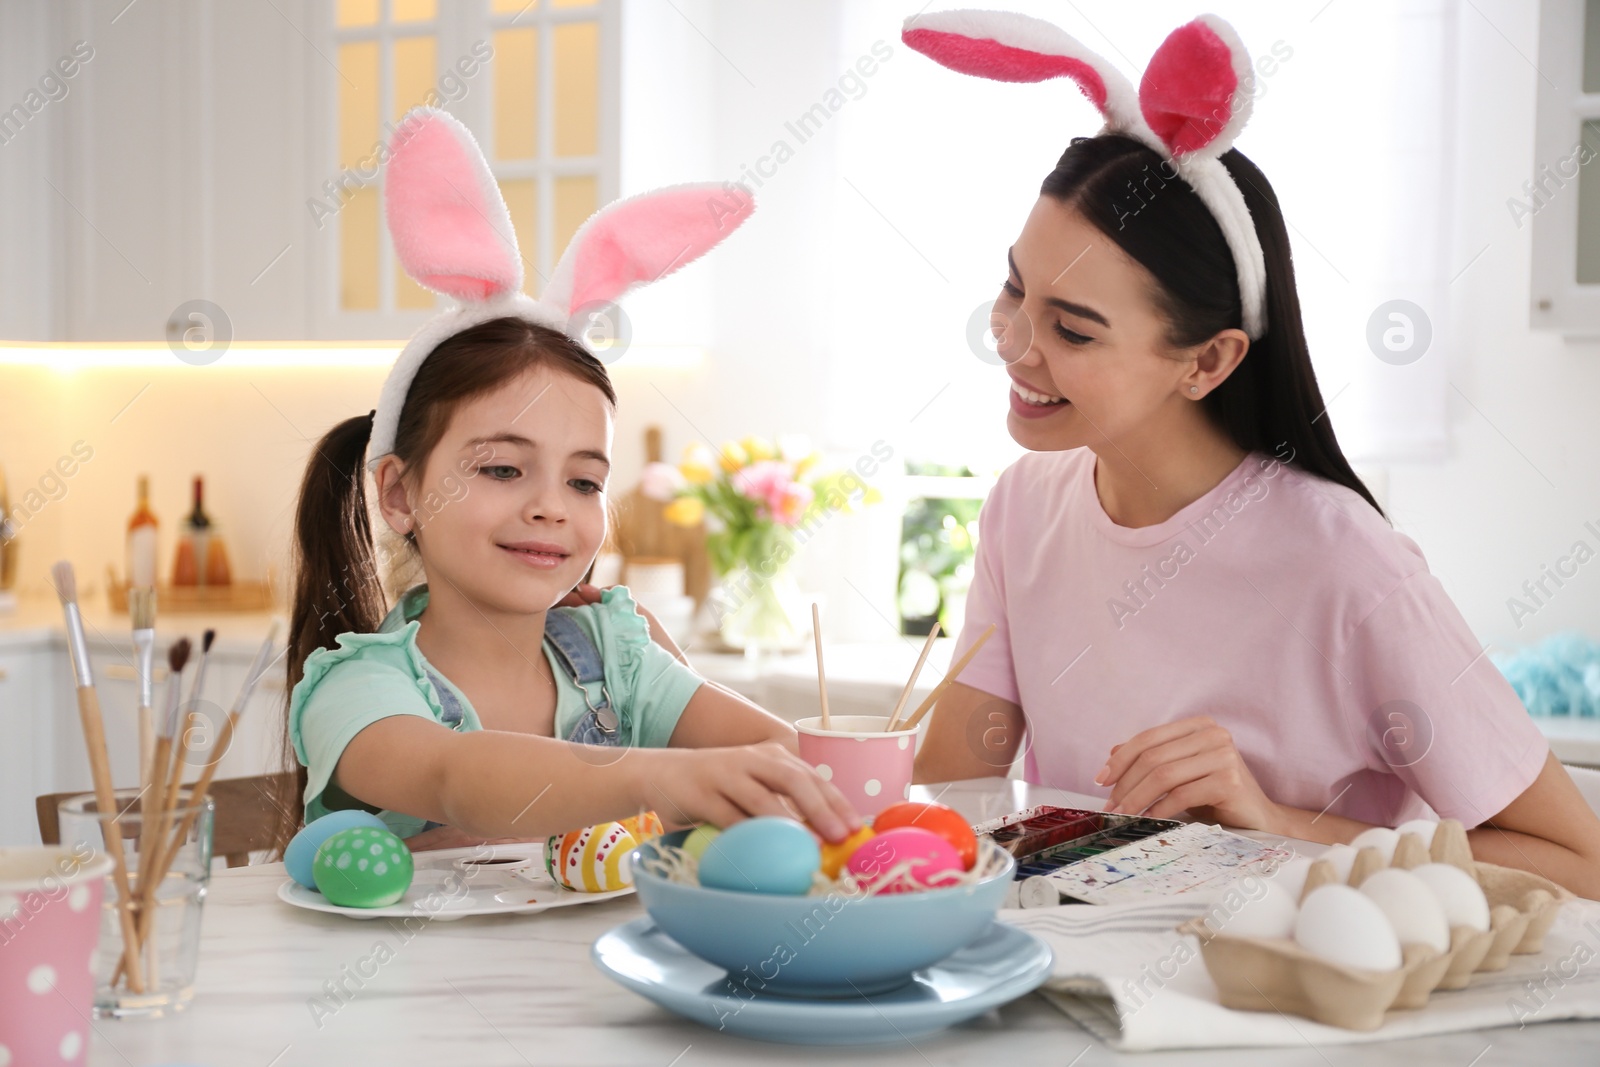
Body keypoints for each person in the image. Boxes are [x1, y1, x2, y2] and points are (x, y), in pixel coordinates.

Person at [902, 11, 1600, 896]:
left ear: (1208, 361)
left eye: (1072, 329)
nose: (1011, 342)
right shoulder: (1023, 509)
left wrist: (1276, 822)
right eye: (1014, 288)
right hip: (1076, 983)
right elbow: (951, 801)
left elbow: (1583, 863)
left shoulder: (1345, 564)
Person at [273, 108, 860, 856]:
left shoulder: (614, 658)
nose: (551, 505)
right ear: (399, 493)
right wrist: (658, 777)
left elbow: (789, 760)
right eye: (502, 468)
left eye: (584, 482)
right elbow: (460, 777)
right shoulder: (356, 689)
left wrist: (694, 694)